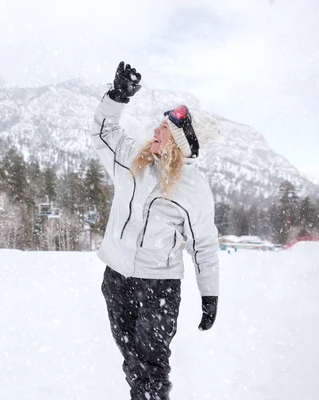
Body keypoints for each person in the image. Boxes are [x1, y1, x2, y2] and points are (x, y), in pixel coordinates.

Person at [92, 62, 219, 400]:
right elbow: (103, 131)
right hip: (116, 278)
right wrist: (117, 97)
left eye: (165, 128)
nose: (156, 130)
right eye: (160, 124)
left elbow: (204, 244)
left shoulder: (193, 189)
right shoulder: (133, 158)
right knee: (133, 359)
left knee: (151, 364)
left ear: (178, 142)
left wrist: (210, 294)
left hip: (158, 288)